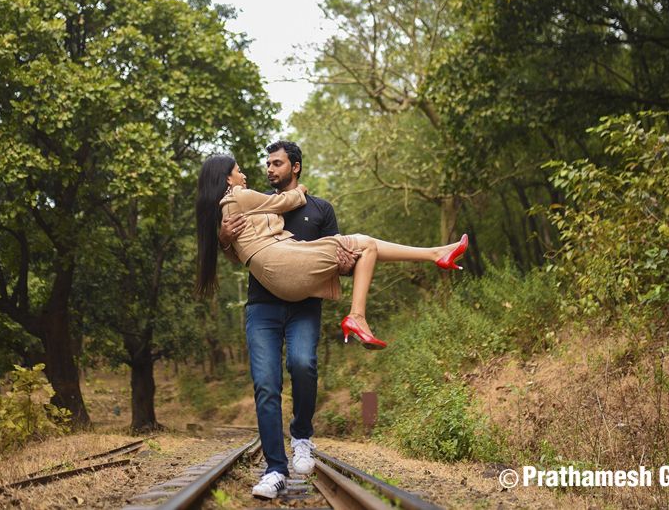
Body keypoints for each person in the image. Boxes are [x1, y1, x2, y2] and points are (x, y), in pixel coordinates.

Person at [194, 146, 468, 498]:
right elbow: (245, 249)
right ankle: (275, 469)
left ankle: (302, 436)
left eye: (276, 163)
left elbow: (339, 253)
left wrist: (340, 257)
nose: (266, 170)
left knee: (304, 365)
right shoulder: (255, 201)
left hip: (305, 303)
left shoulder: (320, 209)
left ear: (296, 166)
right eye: (264, 165)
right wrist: (224, 237)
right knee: (266, 384)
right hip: (264, 304)